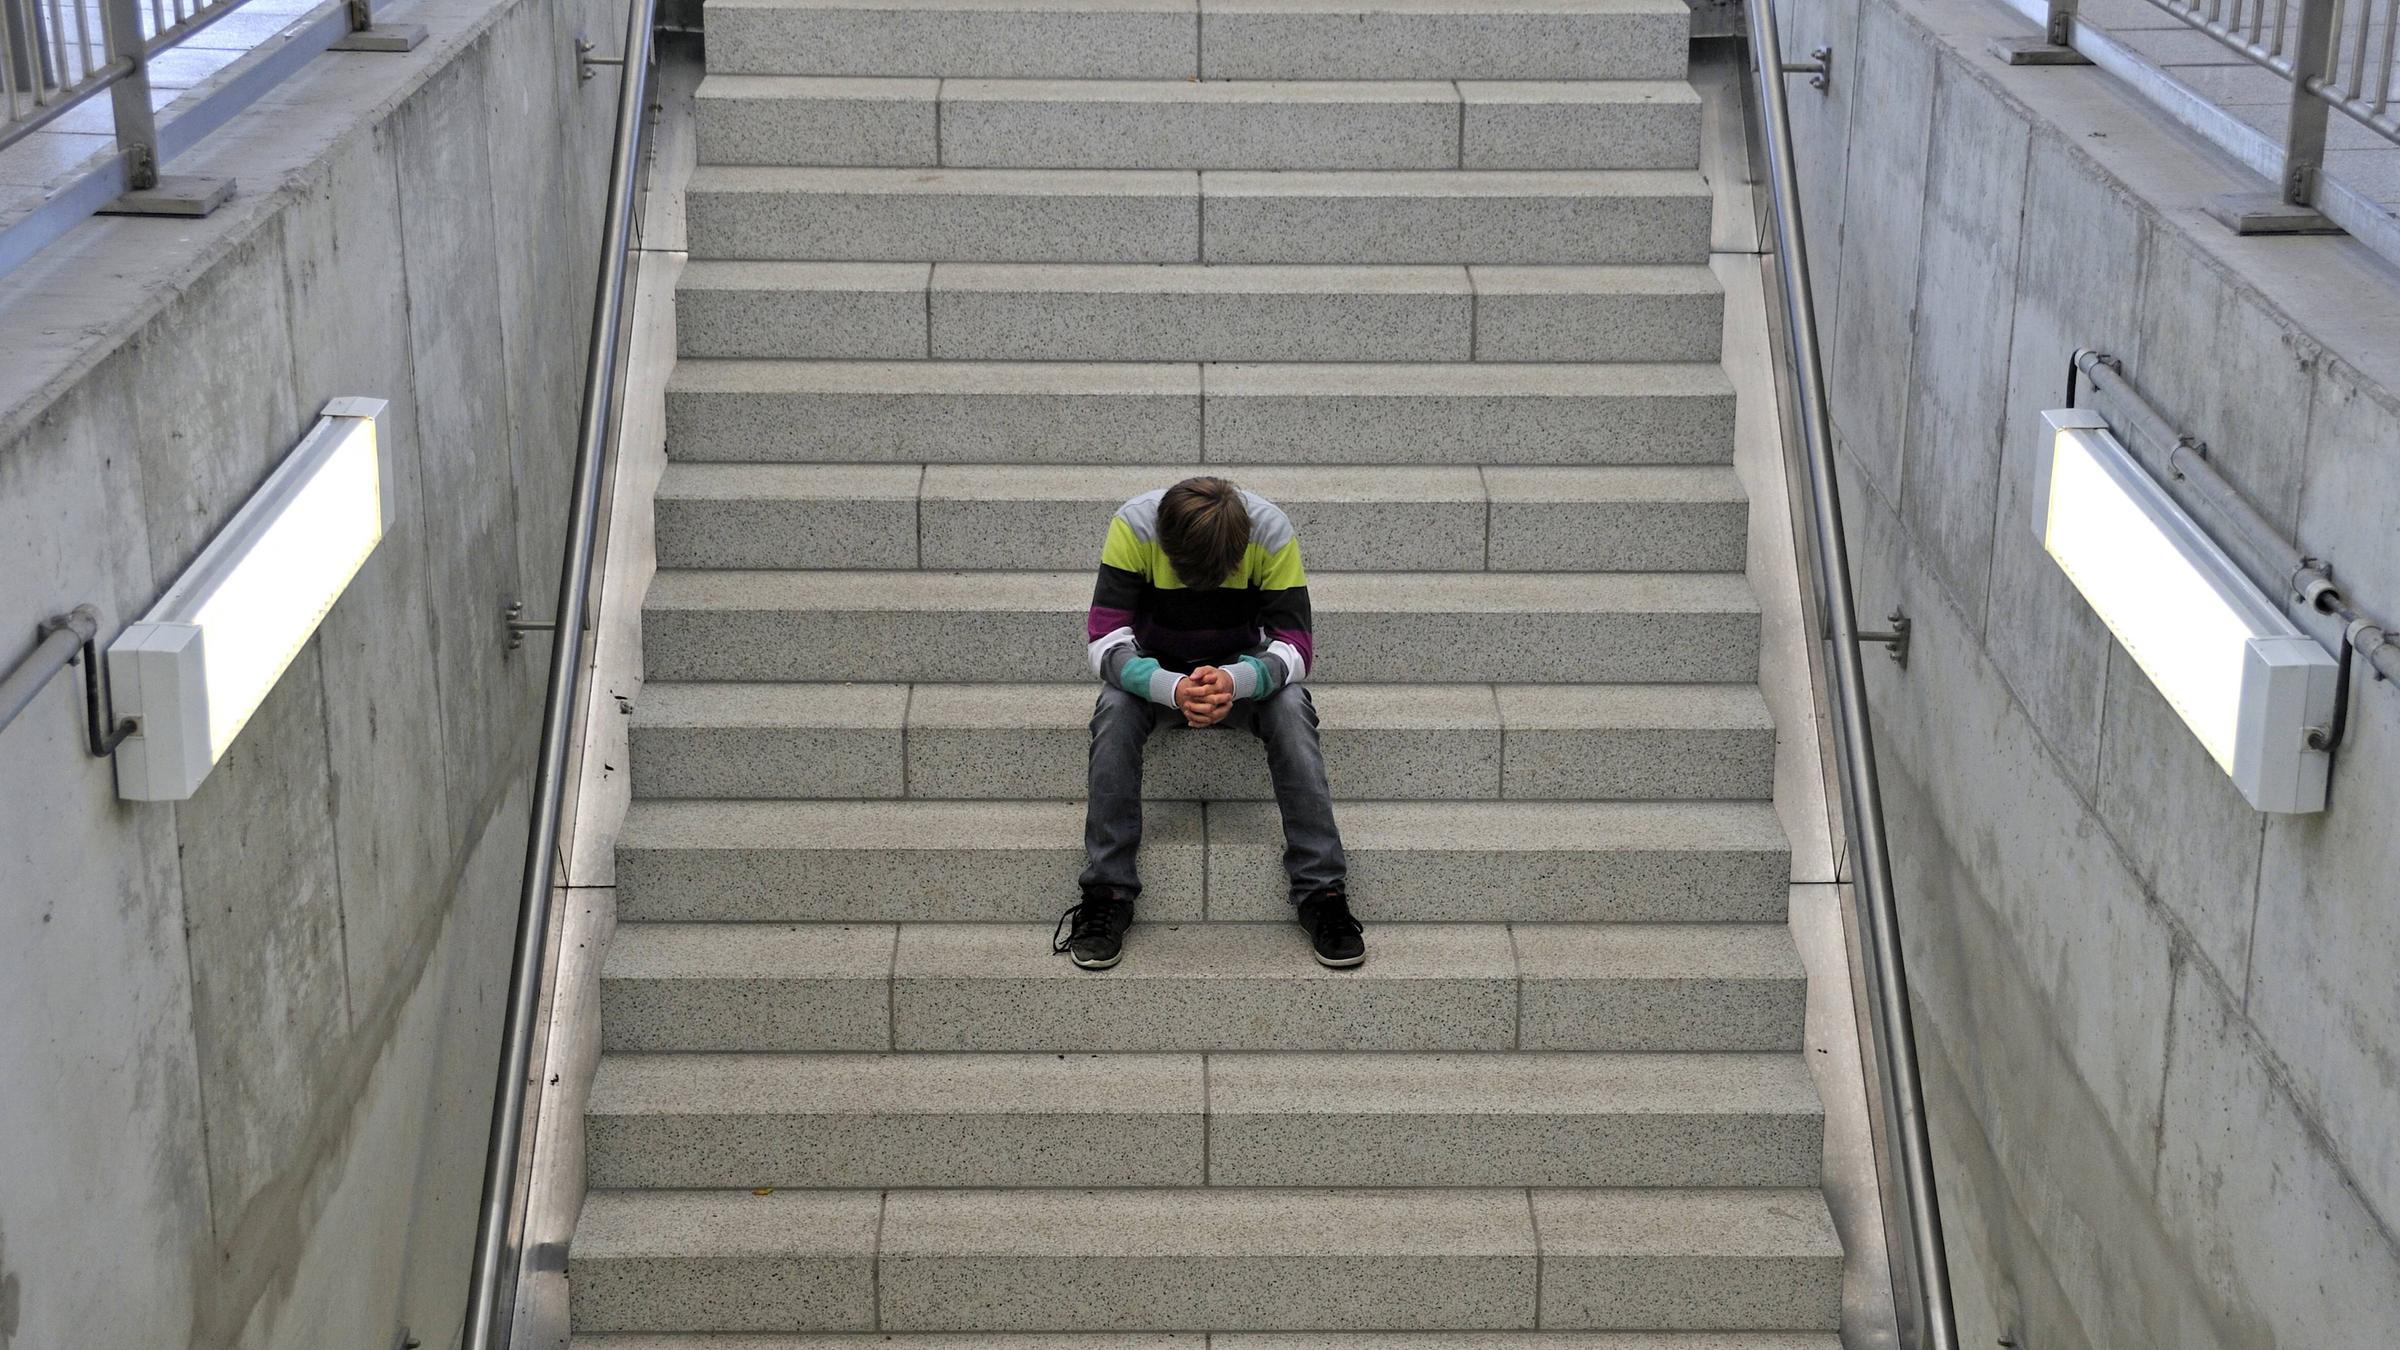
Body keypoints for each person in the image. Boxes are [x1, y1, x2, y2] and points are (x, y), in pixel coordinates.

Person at [1053, 476, 1366, 972]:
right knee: (1113, 710)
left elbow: (1296, 646)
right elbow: (1104, 640)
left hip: (1243, 674)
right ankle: (1108, 894)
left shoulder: (1270, 531)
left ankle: (1321, 892)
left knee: (1291, 707)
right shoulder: (1134, 526)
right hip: (1154, 675)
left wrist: (1234, 681)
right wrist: (1172, 688)